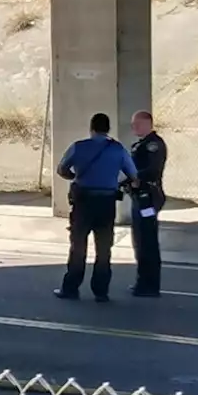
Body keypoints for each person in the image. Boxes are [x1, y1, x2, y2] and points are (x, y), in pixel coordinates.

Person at [54, 112, 138, 302]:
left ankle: (71, 288)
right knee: (103, 248)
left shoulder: (78, 147)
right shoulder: (118, 150)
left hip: (83, 202)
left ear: (91, 128)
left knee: (78, 246)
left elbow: (62, 169)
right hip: (106, 203)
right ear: (108, 129)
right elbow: (134, 175)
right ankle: (101, 291)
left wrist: (73, 177)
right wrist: (114, 182)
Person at [128, 110, 168, 298]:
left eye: (137, 124)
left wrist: (134, 177)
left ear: (147, 123)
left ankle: (150, 284)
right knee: (139, 239)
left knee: (148, 240)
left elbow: (152, 170)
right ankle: (142, 280)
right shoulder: (140, 144)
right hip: (139, 196)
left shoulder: (154, 145)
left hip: (148, 197)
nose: (134, 127)